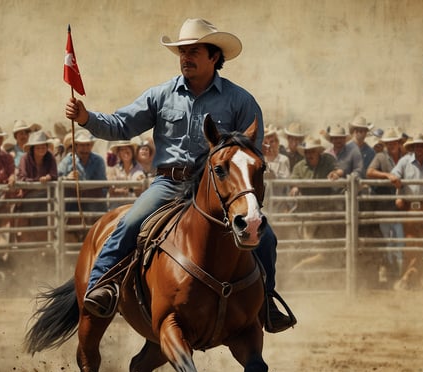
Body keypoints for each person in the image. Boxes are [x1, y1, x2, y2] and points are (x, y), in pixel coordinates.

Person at [65, 17, 295, 332]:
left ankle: (265, 302)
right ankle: (100, 285)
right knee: (131, 221)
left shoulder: (241, 100)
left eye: (193, 51)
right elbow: (122, 124)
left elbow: (250, 156)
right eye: (182, 51)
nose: (185, 57)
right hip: (168, 183)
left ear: (214, 57)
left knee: (265, 238)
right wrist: (87, 117)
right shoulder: (161, 95)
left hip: (219, 189)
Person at [390, 134, 423, 286]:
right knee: (412, 244)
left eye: (422, 145)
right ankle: (413, 278)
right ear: (412, 148)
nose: (419, 148)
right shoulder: (405, 161)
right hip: (411, 208)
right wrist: (394, 180)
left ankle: (408, 278)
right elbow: (394, 175)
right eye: (417, 146)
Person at [366, 127, 406, 281]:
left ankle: (399, 273)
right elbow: (369, 172)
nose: (391, 145)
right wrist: (387, 175)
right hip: (384, 204)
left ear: (398, 142)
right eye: (388, 143)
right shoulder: (381, 157)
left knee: (400, 239)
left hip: (401, 204)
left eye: (394, 142)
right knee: (387, 239)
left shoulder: (406, 157)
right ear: (385, 144)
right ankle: (390, 271)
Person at [16, 130, 58, 243]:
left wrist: (47, 177)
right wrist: (38, 182)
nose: (41, 149)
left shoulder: (50, 157)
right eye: (38, 147)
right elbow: (22, 177)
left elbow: (54, 174)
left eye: (43, 146)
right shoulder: (25, 158)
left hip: (45, 198)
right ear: (33, 148)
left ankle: (44, 248)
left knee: (44, 223)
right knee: (27, 224)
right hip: (29, 197)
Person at [57, 129, 107, 214]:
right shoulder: (68, 161)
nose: (85, 149)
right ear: (76, 146)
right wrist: (67, 178)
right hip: (73, 205)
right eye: (82, 145)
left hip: (94, 205)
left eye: (87, 145)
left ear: (91, 146)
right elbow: (57, 178)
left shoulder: (98, 161)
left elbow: (102, 185)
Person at [106, 139, 145, 206]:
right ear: (119, 154)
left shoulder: (139, 168)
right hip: (116, 206)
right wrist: (126, 190)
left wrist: (122, 189)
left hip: (133, 205)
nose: (125, 151)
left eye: (127, 148)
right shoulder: (114, 169)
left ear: (132, 151)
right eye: (122, 149)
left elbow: (139, 192)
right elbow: (110, 191)